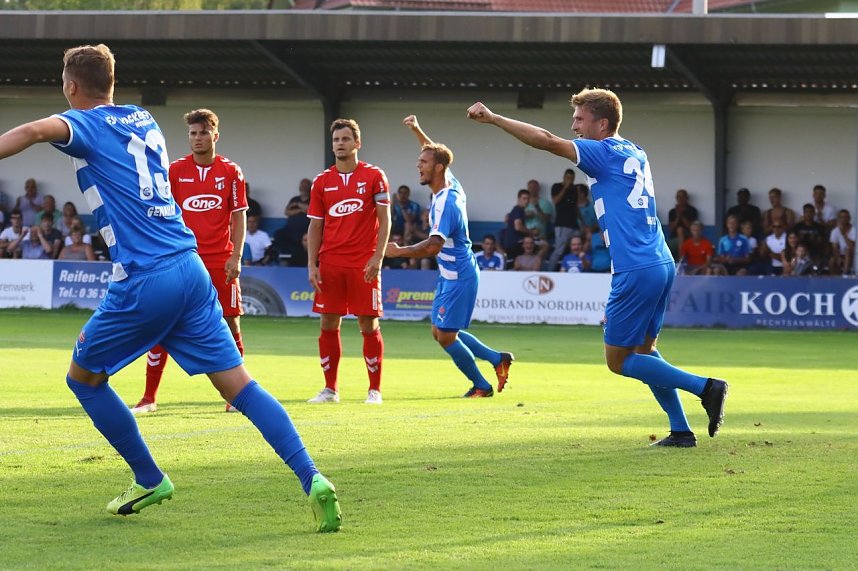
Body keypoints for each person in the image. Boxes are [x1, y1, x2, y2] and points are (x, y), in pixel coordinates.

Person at [0, 44, 340, 531]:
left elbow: (35, 131)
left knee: (84, 378)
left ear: (71, 86)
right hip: (191, 267)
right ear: (112, 83)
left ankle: (149, 476)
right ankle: (312, 477)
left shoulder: (87, 124)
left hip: (145, 276)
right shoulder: (142, 120)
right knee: (241, 386)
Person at [467, 89, 727, 446]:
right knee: (645, 352)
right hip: (660, 261)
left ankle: (707, 388)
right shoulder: (634, 150)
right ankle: (681, 431)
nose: (573, 125)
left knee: (618, 361)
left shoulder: (601, 151)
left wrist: (495, 118)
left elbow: (545, 141)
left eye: (579, 119)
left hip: (636, 267)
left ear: (602, 124)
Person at [131, 108, 249, 416]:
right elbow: (158, 211)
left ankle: (236, 396)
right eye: (193, 133)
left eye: (203, 133)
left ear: (215, 136)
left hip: (221, 261)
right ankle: (148, 397)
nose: (197, 138)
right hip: (182, 260)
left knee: (231, 322)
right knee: (162, 323)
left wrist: (236, 256)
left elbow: (239, 217)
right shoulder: (174, 171)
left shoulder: (231, 171)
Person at [386, 114, 513, 398]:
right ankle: (496, 358)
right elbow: (436, 152)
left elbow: (432, 247)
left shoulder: (447, 202)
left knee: (446, 336)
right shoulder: (449, 182)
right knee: (440, 332)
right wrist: (418, 130)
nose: (418, 166)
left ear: (438, 168)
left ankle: (481, 385)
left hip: (459, 276)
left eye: (423, 163)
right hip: (450, 274)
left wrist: (397, 252)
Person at [307, 118, 390, 405]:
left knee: (368, 324)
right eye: (336, 140)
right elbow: (315, 226)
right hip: (330, 263)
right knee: (328, 323)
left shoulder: (375, 176)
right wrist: (312, 264)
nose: (339, 144)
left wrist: (378, 256)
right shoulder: (322, 181)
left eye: (345, 139)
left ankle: (374, 390)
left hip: (363, 263)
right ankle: (330, 389)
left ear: (357, 143)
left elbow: (385, 219)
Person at [547, 168, 581, 271]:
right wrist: (565, 188)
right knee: (559, 250)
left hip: (574, 224)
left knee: (577, 248)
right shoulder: (557, 186)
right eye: (568, 178)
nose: (570, 180)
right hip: (562, 224)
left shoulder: (574, 189)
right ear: (564, 177)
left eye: (572, 178)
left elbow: (575, 206)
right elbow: (555, 201)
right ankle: (550, 272)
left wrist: (582, 222)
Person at [667, 189, 699, 259]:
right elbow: (671, 228)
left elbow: (692, 227)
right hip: (674, 239)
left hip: (688, 237)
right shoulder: (672, 211)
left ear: (687, 198)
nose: (680, 199)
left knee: (680, 230)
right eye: (678, 197)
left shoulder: (692, 210)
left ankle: (681, 258)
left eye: (682, 197)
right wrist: (678, 216)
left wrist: (682, 216)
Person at [500, 188, 529, 258]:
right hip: (515, 244)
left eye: (528, 199)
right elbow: (518, 227)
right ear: (518, 199)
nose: (527, 201)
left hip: (512, 243)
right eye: (524, 198)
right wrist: (531, 232)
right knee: (544, 245)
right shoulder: (518, 210)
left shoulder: (518, 210)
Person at [829, 209, 855, 276]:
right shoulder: (835, 231)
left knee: (848, 250)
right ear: (839, 219)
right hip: (840, 254)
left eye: (846, 217)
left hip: (853, 254)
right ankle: (834, 278)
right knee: (832, 260)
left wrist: (844, 235)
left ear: (849, 218)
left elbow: (851, 246)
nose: (844, 219)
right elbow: (834, 247)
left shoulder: (854, 230)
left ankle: (844, 274)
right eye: (842, 217)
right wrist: (838, 257)